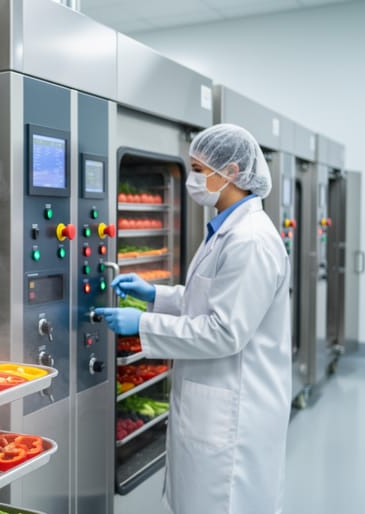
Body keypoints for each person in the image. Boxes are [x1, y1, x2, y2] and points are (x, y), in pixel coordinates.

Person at [96, 123, 292, 514]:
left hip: (235, 409)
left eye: (200, 169)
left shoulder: (250, 240)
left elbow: (224, 331)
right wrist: (157, 296)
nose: (193, 178)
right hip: (213, 401)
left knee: (222, 503)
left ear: (231, 172)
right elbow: (212, 300)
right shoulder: (226, 227)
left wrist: (143, 325)